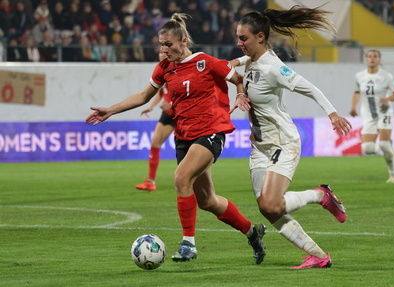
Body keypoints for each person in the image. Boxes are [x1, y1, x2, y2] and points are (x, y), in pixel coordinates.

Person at [86, 13, 266, 264]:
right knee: (208, 201)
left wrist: (239, 94)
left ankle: (188, 244)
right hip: (184, 136)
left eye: (168, 44)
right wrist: (110, 110)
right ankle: (252, 232)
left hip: (211, 130)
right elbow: (143, 96)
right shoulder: (164, 68)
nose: (164, 49)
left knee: (181, 178)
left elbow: (237, 77)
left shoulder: (205, 61)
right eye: (161, 44)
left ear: (183, 41)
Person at [231, 6, 352, 269]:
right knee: (267, 208)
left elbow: (310, 88)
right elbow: (244, 66)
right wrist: (235, 75)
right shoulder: (252, 58)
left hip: (282, 142)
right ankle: (318, 255)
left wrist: (332, 114)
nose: (239, 43)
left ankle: (320, 195)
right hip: (259, 146)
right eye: (238, 38)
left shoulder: (274, 67)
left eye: (244, 39)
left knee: (272, 203)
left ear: (260, 37)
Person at [350, 49, 394, 183]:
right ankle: (386, 144)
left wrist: (388, 98)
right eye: (370, 56)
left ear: (379, 59)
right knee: (368, 148)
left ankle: (393, 175)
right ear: (366, 59)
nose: (372, 59)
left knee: (384, 144)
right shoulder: (359, 76)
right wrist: (353, 107)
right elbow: (356, 92)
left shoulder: (386, 76)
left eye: (375, 56)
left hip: (384, 112)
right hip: (368, 115)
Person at [135, 48, 174, 191]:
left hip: (182, 112)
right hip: (168, 113)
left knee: (190, 149)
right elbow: (161, 92)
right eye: (160, 52)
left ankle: (196, 180)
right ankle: (150, 181)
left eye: (165, 52)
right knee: (155, 143)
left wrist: (172, 105)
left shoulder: (176, 69)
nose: (162, 54)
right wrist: (151, 106)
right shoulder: (161, 70)